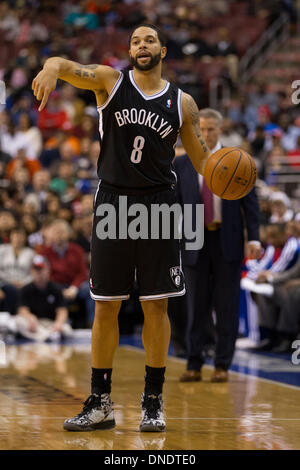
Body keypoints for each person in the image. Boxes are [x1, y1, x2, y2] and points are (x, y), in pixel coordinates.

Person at [32, 23, 211, 433]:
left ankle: (152, 401)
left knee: (157, 305)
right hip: (114, 203)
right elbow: (67, 64)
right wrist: (50, 67)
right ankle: (100, 402)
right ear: (129, 50)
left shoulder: (183, 103)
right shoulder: (111, 82)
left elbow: (204, 165)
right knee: (106, 304)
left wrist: (230, 170)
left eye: (149, 40)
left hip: (160, 207)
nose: (141, 45)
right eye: (135, 40)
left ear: (163, 50)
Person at [174, 108, 261, 383]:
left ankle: (223, 364)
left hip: (228, 240)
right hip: (193, 242)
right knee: (195, 307)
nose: (206, 133)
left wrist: (255, 237)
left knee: (226, 306)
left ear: (220, 130)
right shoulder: (183, 164)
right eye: (201, 129)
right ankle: (194, 362)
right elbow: (174, 207)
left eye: (211, 128)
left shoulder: (239, 161)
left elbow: (251, 205)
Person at [16, 255, 71, 342]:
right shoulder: (25, 289)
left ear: (48, 271)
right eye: (36, 270)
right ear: (31, 271)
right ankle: (46, 336)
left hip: (51, 324)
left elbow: (62, 311)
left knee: (67, 329)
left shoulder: (56, 289)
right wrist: (29, 317)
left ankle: (45, 336)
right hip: (35, 324)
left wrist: (58, 323)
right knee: (19, 322)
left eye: (41, 269)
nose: (39, 273)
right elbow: (22, 309)